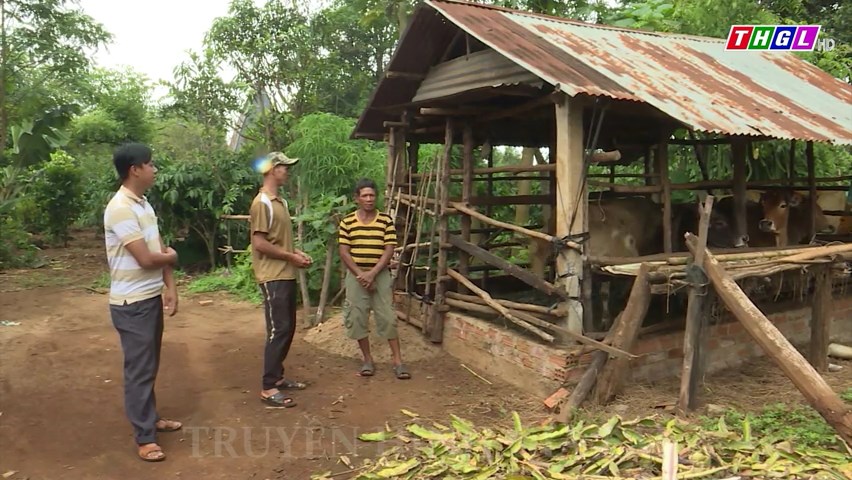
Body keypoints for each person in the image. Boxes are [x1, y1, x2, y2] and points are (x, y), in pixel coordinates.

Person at [103, 143, 182, 462]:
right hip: (131, 303)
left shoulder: (144, 204)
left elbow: (156, 244)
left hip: (148, 297)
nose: (155, 168)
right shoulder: (120, 207)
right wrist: (173, 258)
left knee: (148, 365)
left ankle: (150, 419)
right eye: (150, 164)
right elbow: (147, 258)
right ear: (134, 169)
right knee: (139, 369)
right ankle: (145, 437)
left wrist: (170, 285)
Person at [249, 152, 312, 408]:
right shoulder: (261, 203)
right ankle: (267, 387)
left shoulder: (281, 203)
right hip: (271, 275)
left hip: (285, 272)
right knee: (278, 330)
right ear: (273, 169)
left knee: (287, 327)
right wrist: (289, 256)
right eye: (284, 167)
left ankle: (277, 376)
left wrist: (296, 253)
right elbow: (260, 243)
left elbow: (279, 240)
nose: (288, 171)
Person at [338, 178, 411, 380]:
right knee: (357, 317)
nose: (369, 199)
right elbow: (344, 252)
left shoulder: (385, 221)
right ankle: (367, 359)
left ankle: (397, 361)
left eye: (372, 195)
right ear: (357, 198)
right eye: (365, 195)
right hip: (355, 275)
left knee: (387, 316)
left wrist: (372, 273)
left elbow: (389, 249)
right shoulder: (348, 222)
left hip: (380, 275)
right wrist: (360, 274)